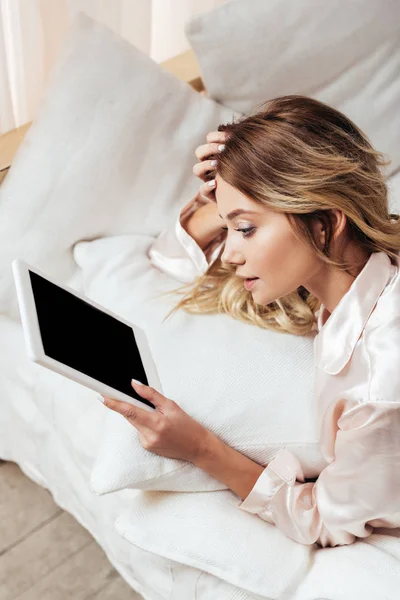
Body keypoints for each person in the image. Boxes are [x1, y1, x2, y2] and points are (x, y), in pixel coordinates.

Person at [107, 95, 400, 548]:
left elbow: (324, 520)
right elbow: (167, 258)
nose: (230, 252)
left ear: (324, 224)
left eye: (245, 230)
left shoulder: (379, 383)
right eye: (228, 230)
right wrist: (222, 197)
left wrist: (200, 448)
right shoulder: (358, 268)